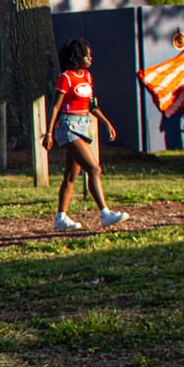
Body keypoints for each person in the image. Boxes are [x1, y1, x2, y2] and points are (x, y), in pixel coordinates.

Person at [42, 40, 127, 232]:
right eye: (87, 55)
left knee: (71, 175)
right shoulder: (66, 78)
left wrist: (106, 123)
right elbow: (55, 106)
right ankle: (105, 213)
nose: (90, 58)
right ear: (76, 57)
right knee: (94, 168)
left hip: (83, 125)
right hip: (68, 126)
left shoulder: (87, 77)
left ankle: (61, 218)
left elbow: (91, 105)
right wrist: (49, 132)